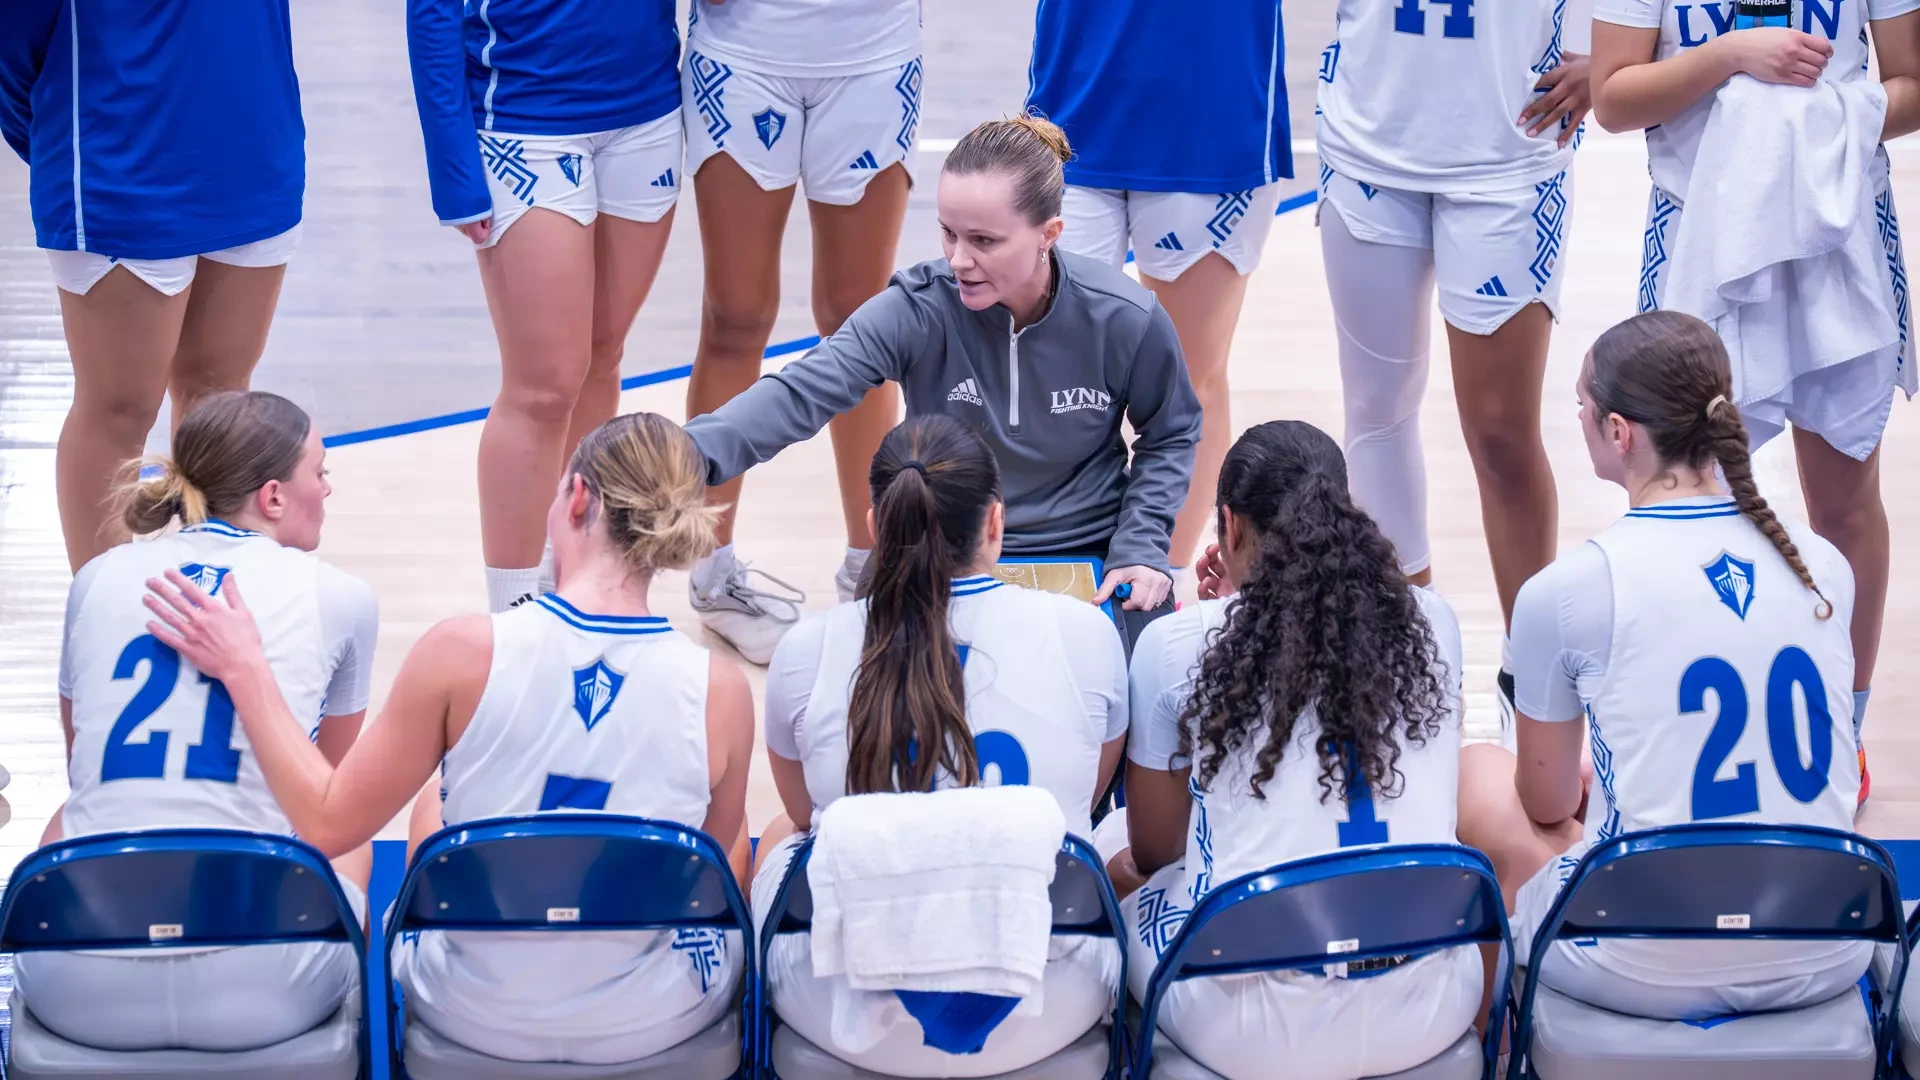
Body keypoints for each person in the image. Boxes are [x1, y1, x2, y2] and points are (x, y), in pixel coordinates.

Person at [143, 412, 757, 1066]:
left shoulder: (462, 651)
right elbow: (709, 873)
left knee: (434, 805)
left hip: (474, 1010)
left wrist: (246, 669)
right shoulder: (721, 689)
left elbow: (326, 822)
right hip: (650, 1018)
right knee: (728, 824)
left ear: (577, 497)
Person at [1460, 312, 1864, 1019]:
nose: (1578, 419)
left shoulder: (1566, 590)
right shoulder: (1823, 564)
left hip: (1642, 959)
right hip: (1828, 944)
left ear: (1619, 432)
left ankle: (1492, 1032)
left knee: (1476, 776)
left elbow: (1545, 804)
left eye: (1581, 405)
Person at [684, 115, 1202, 663]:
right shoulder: (918, 308)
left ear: (1049, 235)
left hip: (1090, 549)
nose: (958, 260)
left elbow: (1171, 432)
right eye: (949, 233)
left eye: (983, 241)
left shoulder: (1125, 317)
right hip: (942, 548)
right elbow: (801, 392)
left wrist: (1140, 545)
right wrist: (680, 454)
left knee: (1152, 673)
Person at [1590, 0, 1920, 804]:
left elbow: (1912, 84)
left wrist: (1814, 128)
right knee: (1679, 490)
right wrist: (1730, 56)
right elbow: (1613, 97)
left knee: (1845, 498)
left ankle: (1842, 724)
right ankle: (1690, 722)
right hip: (1698, 224)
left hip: (1837, 223)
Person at [752, 415, 1127, 1075]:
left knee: (786, 833)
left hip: (847, 1014)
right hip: (1045, 1003)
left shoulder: (806, 648)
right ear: (995, 523)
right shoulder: (1086, 632)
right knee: (1107, 832)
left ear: (876, 524)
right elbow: (1088, 794)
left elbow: (808, 814)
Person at [1107, 420, 1475, 1080]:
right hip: (1430, 1005)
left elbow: (1157, 853)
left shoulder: (1178, 645)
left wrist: (1219, 615)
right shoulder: (1435, 620)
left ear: (1230, 526)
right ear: (1344, 510)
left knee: (1118, 865)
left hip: (1254, 1033)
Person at [14, 391, 376, 1052]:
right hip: (260, 991)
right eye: (320, 471)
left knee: (71, 816)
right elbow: (330, 790)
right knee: (349, 829)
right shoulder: (341, 596)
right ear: (273, 497)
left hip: (82, 989)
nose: (327, 488)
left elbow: (79, 763)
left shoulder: (96, 578)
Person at [1313, 0, 1592, 731]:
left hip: (1509, 150)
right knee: (1376, 411)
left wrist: (1620, 58)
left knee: (1501, 433)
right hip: (1370, 138)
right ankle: (1406, 662)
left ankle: (1531, 680)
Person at [1, 0, 308, 573]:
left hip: (255, 140)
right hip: (120, 149)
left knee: (220, 401)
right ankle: (101, 615)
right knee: (119, 409)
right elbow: (14, 39)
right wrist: (64, 131)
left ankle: (209, 606)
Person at [406, 0, 684, 613]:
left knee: (602, 354)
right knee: (544, 385)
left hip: (648, 106)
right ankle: (512, 616)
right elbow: (431, 11)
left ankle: (573, 589)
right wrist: (452, 164)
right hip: (523, 113)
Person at [680, 0, 923, 658]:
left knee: (863, 324)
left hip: (873, 50)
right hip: (745, 50)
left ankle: (871, 572)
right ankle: (711, 572)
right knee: (735, 317)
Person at [1028, 0, 1290, 595]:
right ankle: (1062, 570)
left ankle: (1160, 586)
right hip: (1075, 96)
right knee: (1049, 369)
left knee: (1189, 378)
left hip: (1211, 106)